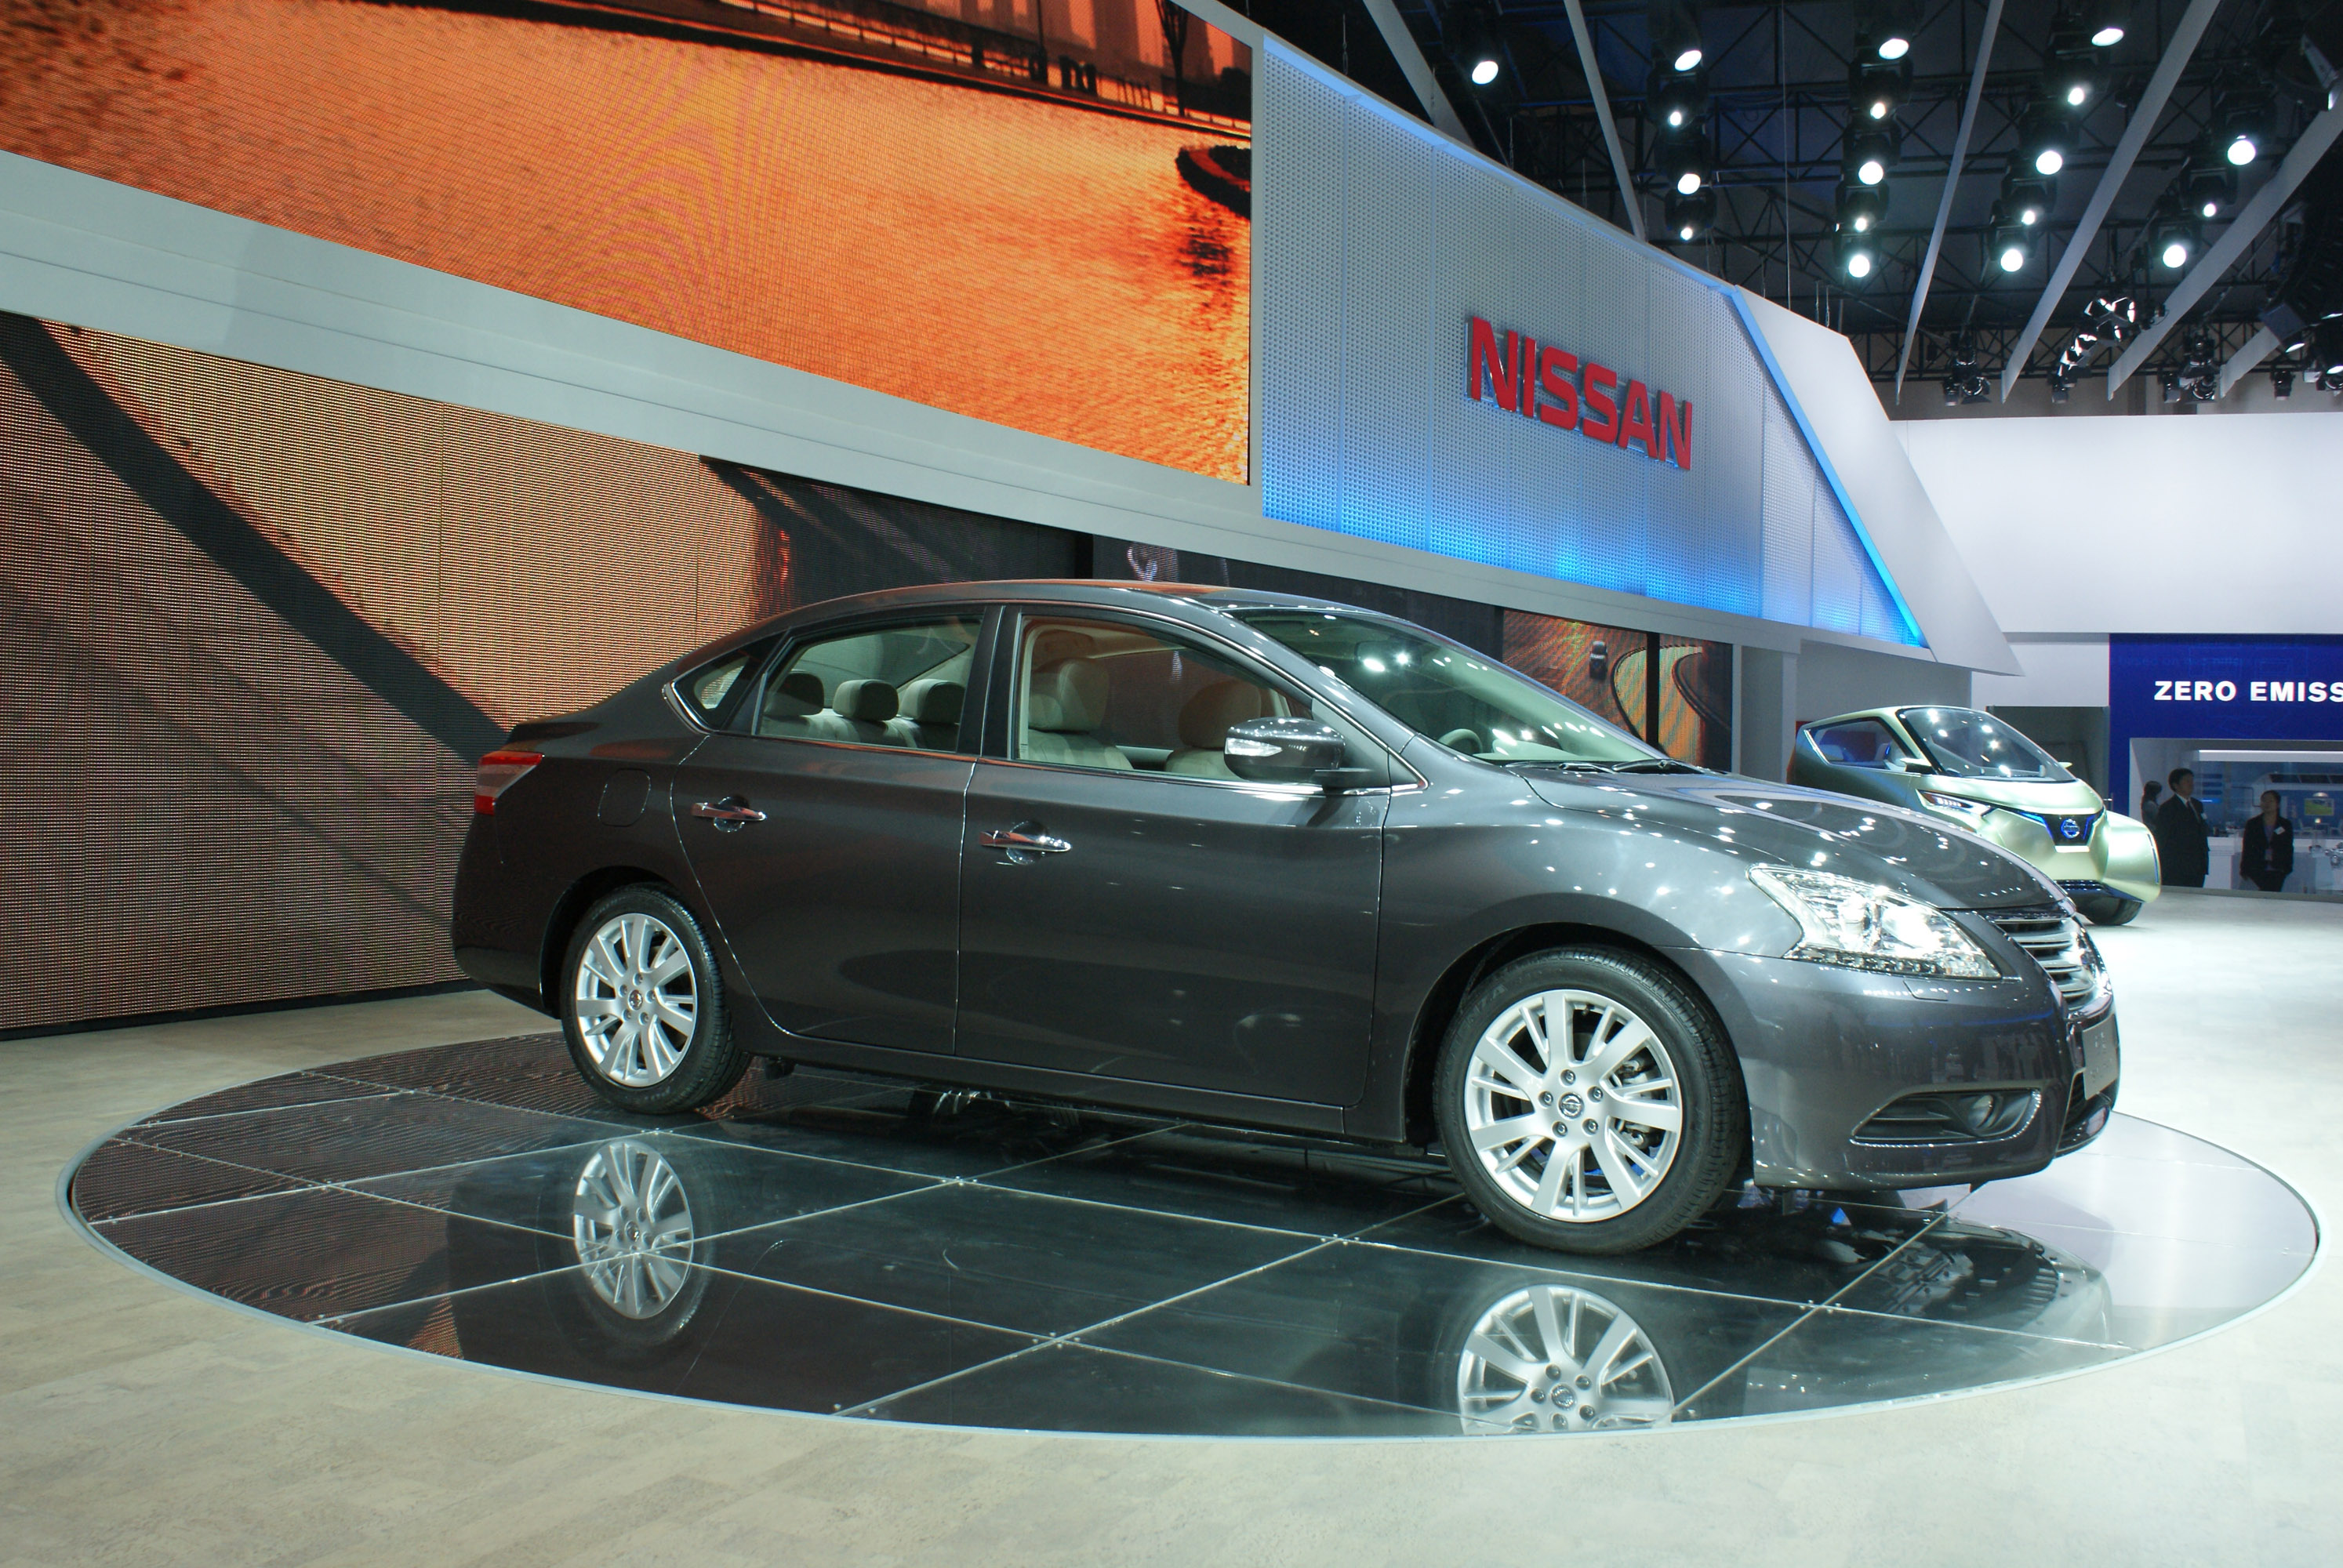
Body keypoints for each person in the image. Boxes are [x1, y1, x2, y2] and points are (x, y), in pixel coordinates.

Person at [2155, 767, 2211, 887]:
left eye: (2192, 781)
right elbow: (2162, 838)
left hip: (2198, 866)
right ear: (2176, 785)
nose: (2191, 784)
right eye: (2187, 781)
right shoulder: (2168, 808)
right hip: (2177, 867)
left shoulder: (2197, 805)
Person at [2241, 789, 2295, 893]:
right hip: (2257, 868)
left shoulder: (2285, 824)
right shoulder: (2253, 824)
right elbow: (2247, 847)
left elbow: (2288, 847)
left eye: (2271, 801)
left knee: (2274, 896)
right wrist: (2244, 868)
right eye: (2264, 800)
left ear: (2277, 804)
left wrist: (2287, 867)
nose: (2267, 804)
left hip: (2278, 868)